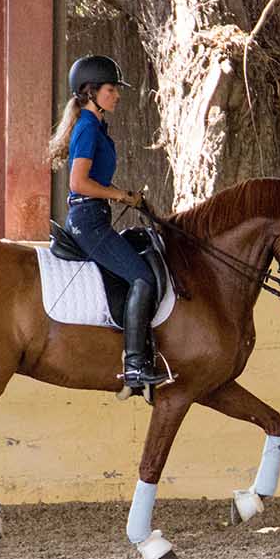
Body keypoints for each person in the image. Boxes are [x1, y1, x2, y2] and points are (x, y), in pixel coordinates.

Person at [47, 54, 168, 392]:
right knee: (142, 278)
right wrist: (120, 195)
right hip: (89, 221)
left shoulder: (96, 126)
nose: (117, 96)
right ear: (90, 92)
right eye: (111, 90)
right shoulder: (87, 127)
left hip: (97, 217)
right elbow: (78, 183)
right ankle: (133, 367)